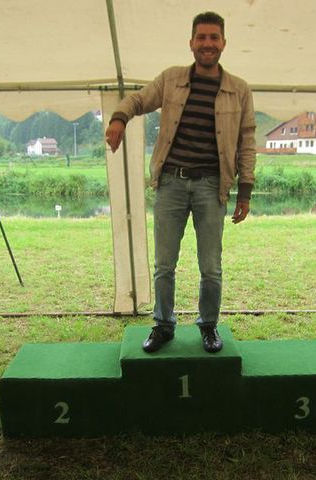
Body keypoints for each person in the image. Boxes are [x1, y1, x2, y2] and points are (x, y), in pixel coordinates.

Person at [105, 11, 256, 354]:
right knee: (164, 264)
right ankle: (163, 325)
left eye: (214, 37)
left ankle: (208, 326)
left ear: (223, 43)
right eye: (201, 37)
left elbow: (247, 141)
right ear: (191, 43)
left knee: (211, 267)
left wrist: (245, 190)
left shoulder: (239, 90)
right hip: (171, 183)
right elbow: (138, 99)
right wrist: (119, 118)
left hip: (212, 187)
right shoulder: (171, 79)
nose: (207, 43)